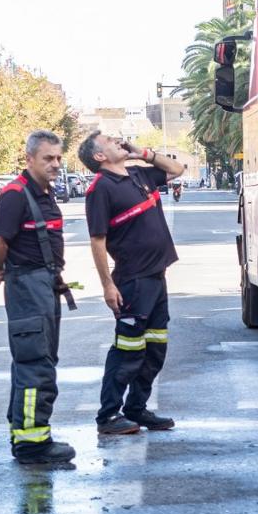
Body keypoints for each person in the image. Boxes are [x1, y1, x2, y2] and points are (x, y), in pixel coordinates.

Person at [80, 131, 187, 434]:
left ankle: (136, 409)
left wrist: (143, 152)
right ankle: (108, 417)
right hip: (132, 281)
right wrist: (107, 285)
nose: (118, 141)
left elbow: (176, 170)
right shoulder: (101, 189)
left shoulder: (139, 174)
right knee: (128, 350)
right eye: (109, 141)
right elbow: (97, 241)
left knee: (155, 349)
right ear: (99, 157)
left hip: (156, 276)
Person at [0, 130, 76, 464]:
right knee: (34, 364)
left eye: (57, 158)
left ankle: (25, 432)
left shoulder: (44, 194)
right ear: (29, 159)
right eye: (47, 159)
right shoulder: (15, 195)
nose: (55, 164)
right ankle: (32, 443)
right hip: (27, 288)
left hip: (43, 285)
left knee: (38, 360)